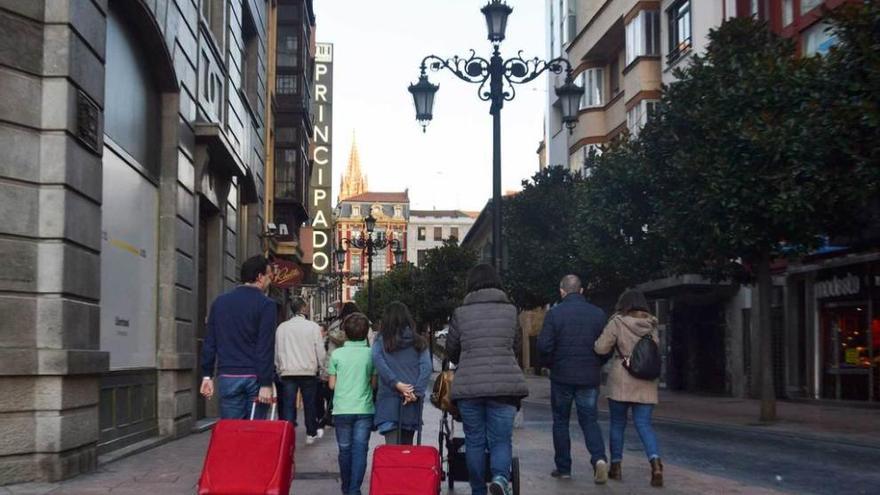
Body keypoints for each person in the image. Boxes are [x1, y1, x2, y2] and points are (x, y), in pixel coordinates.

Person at [446, 264, 529, 495]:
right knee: (501, 440)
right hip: (504, 387)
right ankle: (501, 478)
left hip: (470, 387)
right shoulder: (511, 311)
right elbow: (516, 346)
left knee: (474, 441)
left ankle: (478, 490)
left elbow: (452, 350)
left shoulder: (461, 313)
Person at [537, 274, 609, 483]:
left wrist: (551, 364)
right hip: (589, 376)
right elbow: (606, 346)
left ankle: (564, 468)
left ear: (562, 291)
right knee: (589, 421)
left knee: (560, 421)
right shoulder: (597, 314)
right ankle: (599, 459)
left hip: (562, 377)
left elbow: (543, 346)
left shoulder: (554, 314)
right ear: (582, 290)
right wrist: (598, 362)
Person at [594, 289, 663, 488]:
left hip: (622, 378)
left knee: (617, 424)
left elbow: (601, 348)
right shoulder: (652, 324)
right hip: (646, 381)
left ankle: (616, 466)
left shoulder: (617, 322)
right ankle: (656, 464)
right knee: (644, 424)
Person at [200, 255, 276, 419]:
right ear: (259, 277)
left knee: (232, 433)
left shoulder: (219, 303)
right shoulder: (266, 305)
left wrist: (207, 375)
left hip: (227, 376)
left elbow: (210, 342)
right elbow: (265, 346)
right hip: (254, 377)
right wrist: (265, 382)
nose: (270, 280)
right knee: (254, 434)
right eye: (269, 275)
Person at [328, 313, 377, 495]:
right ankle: (355, 490)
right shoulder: (371, 355)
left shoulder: (337, 354)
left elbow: (332, 385)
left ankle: (346, 488)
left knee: (345, 449)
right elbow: (373, 384)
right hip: (364, 408)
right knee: (360, 449)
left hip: (341, 409)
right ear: (366, 333)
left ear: (345, 333)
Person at [372, 302, 432, 445]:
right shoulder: (419, 342)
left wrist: (396, 384)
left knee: (393, 452)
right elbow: (427, 367)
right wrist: (415, 392)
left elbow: (378, 362)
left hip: (389, 401)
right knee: (407, 450)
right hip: (411, 403)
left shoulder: (381, 341)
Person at [275, 296, 326, 444]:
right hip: (308, 371)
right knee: (309, 403)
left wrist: (279, 367)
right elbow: (320, 350)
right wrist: (322, 367)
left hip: (288, 371)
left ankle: (288, 434)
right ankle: (311, 432)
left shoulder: (282, 327)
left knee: (288, 405)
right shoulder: (313, 327)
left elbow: (278, 350)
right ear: (303, 308)